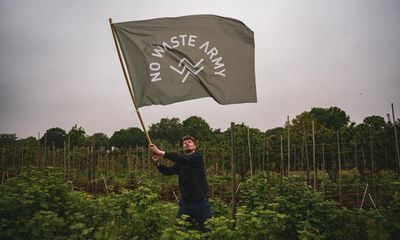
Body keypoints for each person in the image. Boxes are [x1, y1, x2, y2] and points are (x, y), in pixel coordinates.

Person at [149, 135, 212, 232]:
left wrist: (160, 152)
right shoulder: (181, 163)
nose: (186, 143)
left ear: (195, 147)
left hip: (201, 202)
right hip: (186, 203)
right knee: (178, 230)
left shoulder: (197, 158)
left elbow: (182, 160)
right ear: (183, 148)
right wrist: (157, 163)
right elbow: (167, 171)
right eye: (184, 142)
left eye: (189, 142)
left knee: (208, 230)